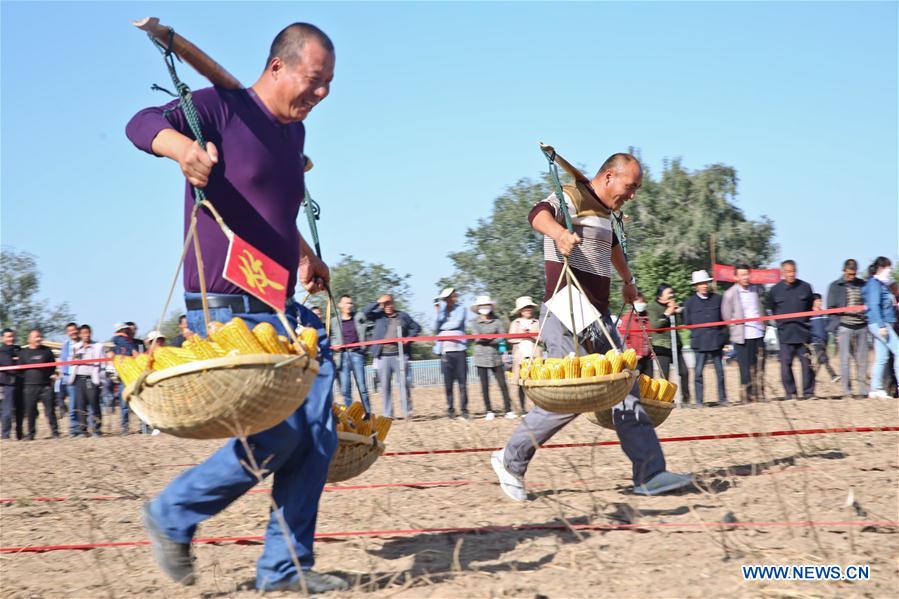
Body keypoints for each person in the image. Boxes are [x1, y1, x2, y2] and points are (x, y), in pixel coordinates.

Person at [126, 23, 348, 593]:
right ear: (278, 67)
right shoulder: (220, 107)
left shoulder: (292, 137)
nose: (320, 95)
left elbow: (269, 208)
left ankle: (285, 570)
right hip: (224, 302)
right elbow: (141, 123)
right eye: (314, 81)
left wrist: (302, 254)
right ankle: (173, 513)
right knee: (277, 436)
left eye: (328, 86)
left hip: (279, 302)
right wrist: (182, 151)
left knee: (318, 431)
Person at [491, 153, 693, 500]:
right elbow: (537, 213)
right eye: (630, 187)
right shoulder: (573, 195)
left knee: (624, 385)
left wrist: (627, 280)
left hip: (596, 316)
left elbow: (612, 245)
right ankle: (510, 460)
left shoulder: (607, 212)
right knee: (572, 395)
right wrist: (558, 234)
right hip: (565, 309)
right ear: (610, 176)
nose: (633, 195)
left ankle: (649, 473)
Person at [364, 294, 420, 418]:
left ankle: (407, 412)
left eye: (390, 303)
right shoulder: (378, 316)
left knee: (403, 384)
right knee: (384, 386)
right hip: (383, 356)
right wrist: (378, 301)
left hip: (400, 355)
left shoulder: (402, 316)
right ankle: (388, 414)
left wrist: (408, 339)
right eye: (385, 304)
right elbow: (366, 312)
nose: (388, 306)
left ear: (394, 303)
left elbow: (416, 327)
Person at [767, 260, 815, 400]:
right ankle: (791, 392)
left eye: (793, 271)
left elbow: (809, 307)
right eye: (788, 271)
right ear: (782, 273)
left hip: (803, 333)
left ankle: (808, 392)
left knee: (807, 365)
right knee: (785, 366)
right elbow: (771, 307)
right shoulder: (775, 290)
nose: (791, 274)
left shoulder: (805, 287)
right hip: (785, 334)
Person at [721, 264, 767, 402]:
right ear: (736, 276)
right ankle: (746, 396)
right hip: (742, 336)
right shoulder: (730, 294)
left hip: (758, 333)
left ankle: (759, 394)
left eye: (747, 274)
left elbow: (760, 308)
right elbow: (726, 315)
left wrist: (764, 325)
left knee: (759, 366)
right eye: (742, 275)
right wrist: (735, 327)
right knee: (745, 369)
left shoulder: (755, 290)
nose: (745, 277)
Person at [683, 270, 728, 407]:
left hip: (716, 342)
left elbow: (723, 319)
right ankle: (699, 401)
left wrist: (722, 339)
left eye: (705, 283)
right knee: (698, 373)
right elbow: (687, 322)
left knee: (720, 372)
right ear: (696, 285)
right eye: (701, 283)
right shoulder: (689, 302)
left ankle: (723, 399)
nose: (704, 286)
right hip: (699, 343)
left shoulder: (718, 299)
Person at [826, 259, 869, 397]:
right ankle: (847, 391)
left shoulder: (863, 284)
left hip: (861, 326)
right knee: (845, 360)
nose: (851, 277)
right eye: (849, 274)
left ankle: (863, 390)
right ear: (844, 271)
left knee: (862, 360)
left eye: (854, 274)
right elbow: (831, 309)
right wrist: (836, 328)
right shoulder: (834, 286)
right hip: (844, 326)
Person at [470, 295, 513, 420]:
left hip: (495, 357)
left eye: (486, 305)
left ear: (490, 307)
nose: (484, 308)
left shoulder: (497, 321)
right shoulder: (474, 322)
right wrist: (491, 338)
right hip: (480, 357)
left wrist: (488, 339)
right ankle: (489, 410)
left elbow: (501, 336)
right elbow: (476, 337)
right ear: (478, 308)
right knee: (484, 386)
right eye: (482, 306)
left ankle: (508, 409)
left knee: (503, 384)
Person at [646, 284, 691, 401]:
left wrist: (677, 312)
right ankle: (664, 400)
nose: (672, 295)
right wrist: (667, 313)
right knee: (664, 376)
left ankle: (686, 399)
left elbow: (679, 324)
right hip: (661, 346)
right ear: (660, 296)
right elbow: (656, 325)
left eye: (672, 293)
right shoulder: (652, 307)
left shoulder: (672, 306)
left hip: (676, 344)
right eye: (669, 293)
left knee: (684, 372)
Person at [863, 257, 899, 398]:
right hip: (880, 323)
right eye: (888, 268)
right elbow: (874, 305)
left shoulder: (882, 284)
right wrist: (881, 325)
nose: (889, 271)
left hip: (882, 323)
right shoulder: (874, 284)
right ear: (880, 268)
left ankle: (875, 389)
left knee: (881, 358)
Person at [330, 294, 371, 413]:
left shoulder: (359, 316)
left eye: (350, 303)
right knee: (346, 390)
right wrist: (335, 344)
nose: (349, 306)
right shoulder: (334, 321)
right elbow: (332, 336)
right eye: (346, 303)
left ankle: (367, 413)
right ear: (340, 305)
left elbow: (367, 324)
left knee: (362, 388)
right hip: (342, 356)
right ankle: (351, 415)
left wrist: (365, 345)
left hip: (357, 354)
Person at [433, 287, 469, 419]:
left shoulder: (461, 309)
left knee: (462, 382)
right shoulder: (441, 311)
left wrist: (443, 328)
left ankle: (464, 410)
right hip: (445, 351)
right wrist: (438, 314)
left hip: (459, 350)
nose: (449, 299)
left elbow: (456, 323)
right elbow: (435, 327)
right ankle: (450, 409)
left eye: (451, 296)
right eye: (446, 297)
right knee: (448, 383)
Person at [18, 329, 59, 440]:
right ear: (29, 339)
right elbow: (19, 370)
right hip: (29, 386)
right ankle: (31, 434)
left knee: (50, 411)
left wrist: (53, 376)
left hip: (45, 386)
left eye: (40, 336)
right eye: (36, 337)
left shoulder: (47, 351)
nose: (39, 339)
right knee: (30, 411)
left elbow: (53, 367)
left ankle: (55, 433)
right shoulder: (23, 352)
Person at [68, 325, 105, 437]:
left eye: (88, 332)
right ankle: (82, 430)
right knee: (80, 405)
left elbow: (102, 363)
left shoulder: (97, 347)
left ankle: (97, 429)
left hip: (92, 379)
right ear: (80, 334)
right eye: (84, 333)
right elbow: (71, 362)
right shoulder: (76, 347)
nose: (86, 335)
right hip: (79, 378)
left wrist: (102, 380)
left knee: (94, 404)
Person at [508, 296, 541, 416]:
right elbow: (510, 339)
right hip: (520, 357)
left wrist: (532, 336)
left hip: (535, 356)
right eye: (526, 308)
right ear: (520, 310)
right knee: (519, 383)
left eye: (530, 307)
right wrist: (522, 335)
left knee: (535, 383)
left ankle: (538, 408)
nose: (528, 310)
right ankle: (521, 409)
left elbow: (543, 338)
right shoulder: (515, 323)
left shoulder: (537, 322)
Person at [111, 322, 144, 434]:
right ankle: (125, 428)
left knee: (139, 402)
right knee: (125, 404)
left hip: (134, 376)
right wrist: (134, 352)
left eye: (127, 330)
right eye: (124, 330)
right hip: (124, 378)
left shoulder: (135, 343)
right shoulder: (119, 341)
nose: (126, 332)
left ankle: (143, 426)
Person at [617, 293, 653, 376]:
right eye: (638, 302)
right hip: (634, 358)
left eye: (642, 302)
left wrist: (651, 352)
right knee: (635, 382)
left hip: (646, 357)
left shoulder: (647, 318)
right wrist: (632, 354)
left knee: (649, 382)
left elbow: (649, 336)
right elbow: (624, 339)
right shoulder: (626, 319)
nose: (640, 304)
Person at [0, 328, 24, 440]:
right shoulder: (1, 351)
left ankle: (20, 434)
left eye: (12, 336)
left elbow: (23, 362)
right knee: (7, 411)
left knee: (20, 410)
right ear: (3, 338)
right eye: (9, 336)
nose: (11, 338)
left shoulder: (19, 349)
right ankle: (5, 434)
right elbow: (8, 365)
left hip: (20, 383)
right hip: (7, 384)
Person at [57, 322, 80, 426]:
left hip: (82, 376)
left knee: (83, 403)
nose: (73, 332)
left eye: (74, 330)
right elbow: (63, 361)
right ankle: (74, 428)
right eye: (70, 331)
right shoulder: (66, 346)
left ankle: (84, 427)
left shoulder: (83, 343)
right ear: (67, 333)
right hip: (69, 378)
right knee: (73, 404)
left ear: (78, 330)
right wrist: (64, 375)